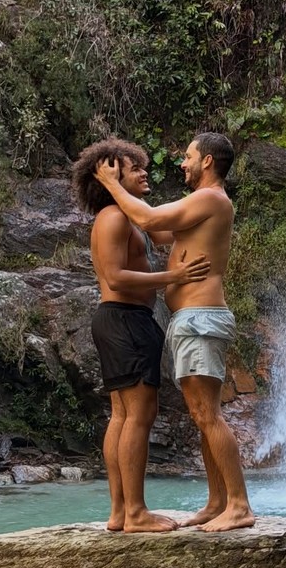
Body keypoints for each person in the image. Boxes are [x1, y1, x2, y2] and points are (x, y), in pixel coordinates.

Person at [94, 132, 255, 532]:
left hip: (201, 318)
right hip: (191, 319)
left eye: (187, 157)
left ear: (207, 162)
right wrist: (121, 195)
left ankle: (238, 505)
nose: (180, 163)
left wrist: (114, 183)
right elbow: (157, 230)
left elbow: (149, 220)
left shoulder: (211, 198)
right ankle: (218, 501)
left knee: (207, 414)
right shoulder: (198, 206)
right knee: (203, 415)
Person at [72, 138, 210, 533]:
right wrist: (175, 277)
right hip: (126, 320)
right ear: (110, 175)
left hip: (119, 319)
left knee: (122, 415)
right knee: (139, 416)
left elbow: (166, 228)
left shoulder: (124, 217)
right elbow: (115, 276)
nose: (144, 172)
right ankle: (136, 513)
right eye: (133, 168)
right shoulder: (114, 217)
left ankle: (120, 512)